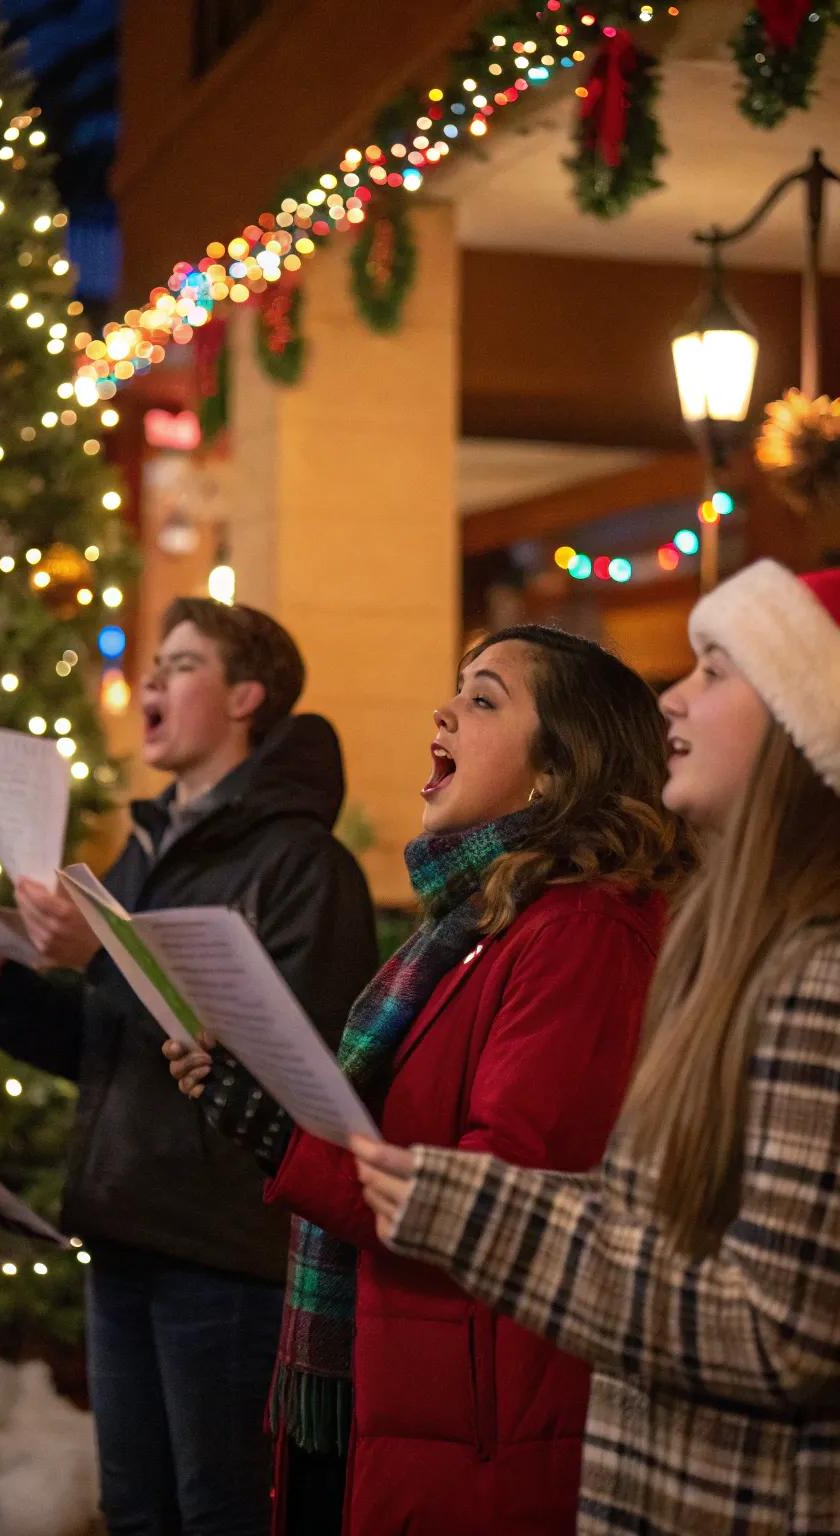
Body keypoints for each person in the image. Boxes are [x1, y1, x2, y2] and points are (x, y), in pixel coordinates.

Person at [166, 625, 694, 1536]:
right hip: (408, 1395)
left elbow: (501, 1201)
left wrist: (287, 1137)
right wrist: (266, 1089)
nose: (443, 712)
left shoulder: (583, 932)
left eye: (484, 699)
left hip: (483, 1431)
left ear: (559, 773)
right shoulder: (480, 923)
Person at [353, 561, 840, 1536]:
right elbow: (653, 1216)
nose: (672, 695)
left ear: (804, 720)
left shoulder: (813, 977)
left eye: (716, 670)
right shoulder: (731, 947)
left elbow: (777, 1329)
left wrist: (467, 1207)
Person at [0, 597, 379, 1536]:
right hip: (125, 1230)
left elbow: (281, 1060)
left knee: (218, 1513)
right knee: (134, 1509)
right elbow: (106, 1043)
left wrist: (99, 957)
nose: (150, 680)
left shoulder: (304, 865)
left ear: (247, 695)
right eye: (154, 663)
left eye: (181, 664)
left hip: (221, 1251)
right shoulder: (149, 851)